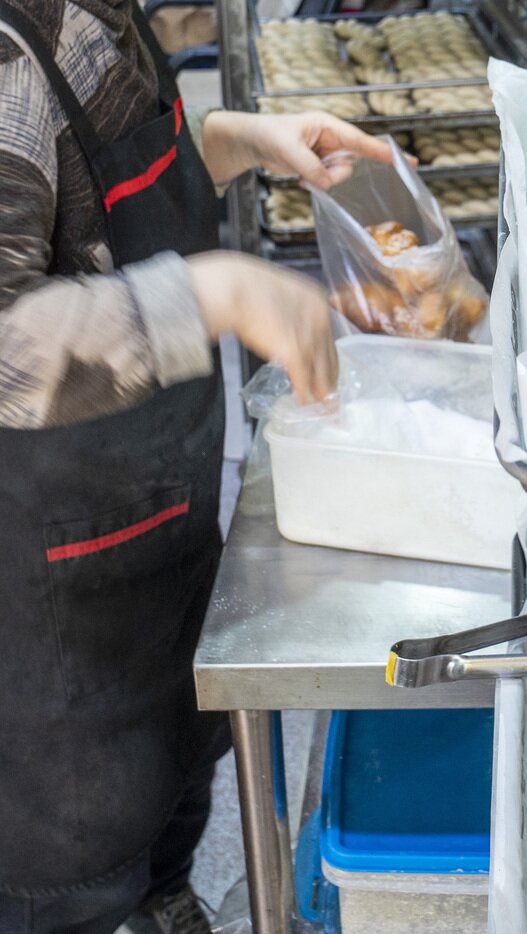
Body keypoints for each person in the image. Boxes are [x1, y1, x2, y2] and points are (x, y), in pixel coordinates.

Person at [0, 2, 393, 931]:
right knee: (78, 859)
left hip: (150, 516)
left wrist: (232, 143)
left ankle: (166, 899)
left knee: (177, 767)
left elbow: (87, 200)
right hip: (44, 590)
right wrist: (214, 291)